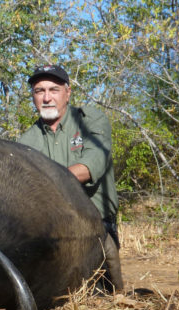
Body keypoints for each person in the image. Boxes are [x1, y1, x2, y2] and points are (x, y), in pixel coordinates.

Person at [18, 64, 120, 248]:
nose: (47, 98)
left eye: (54, 90)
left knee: (106, 263)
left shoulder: (91, 120)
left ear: (68, 93)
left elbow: (92, 165)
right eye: (39, 91)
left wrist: (44, 181)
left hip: (96, 224)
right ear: (33, 97)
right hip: (50, 230)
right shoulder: (26, 141)